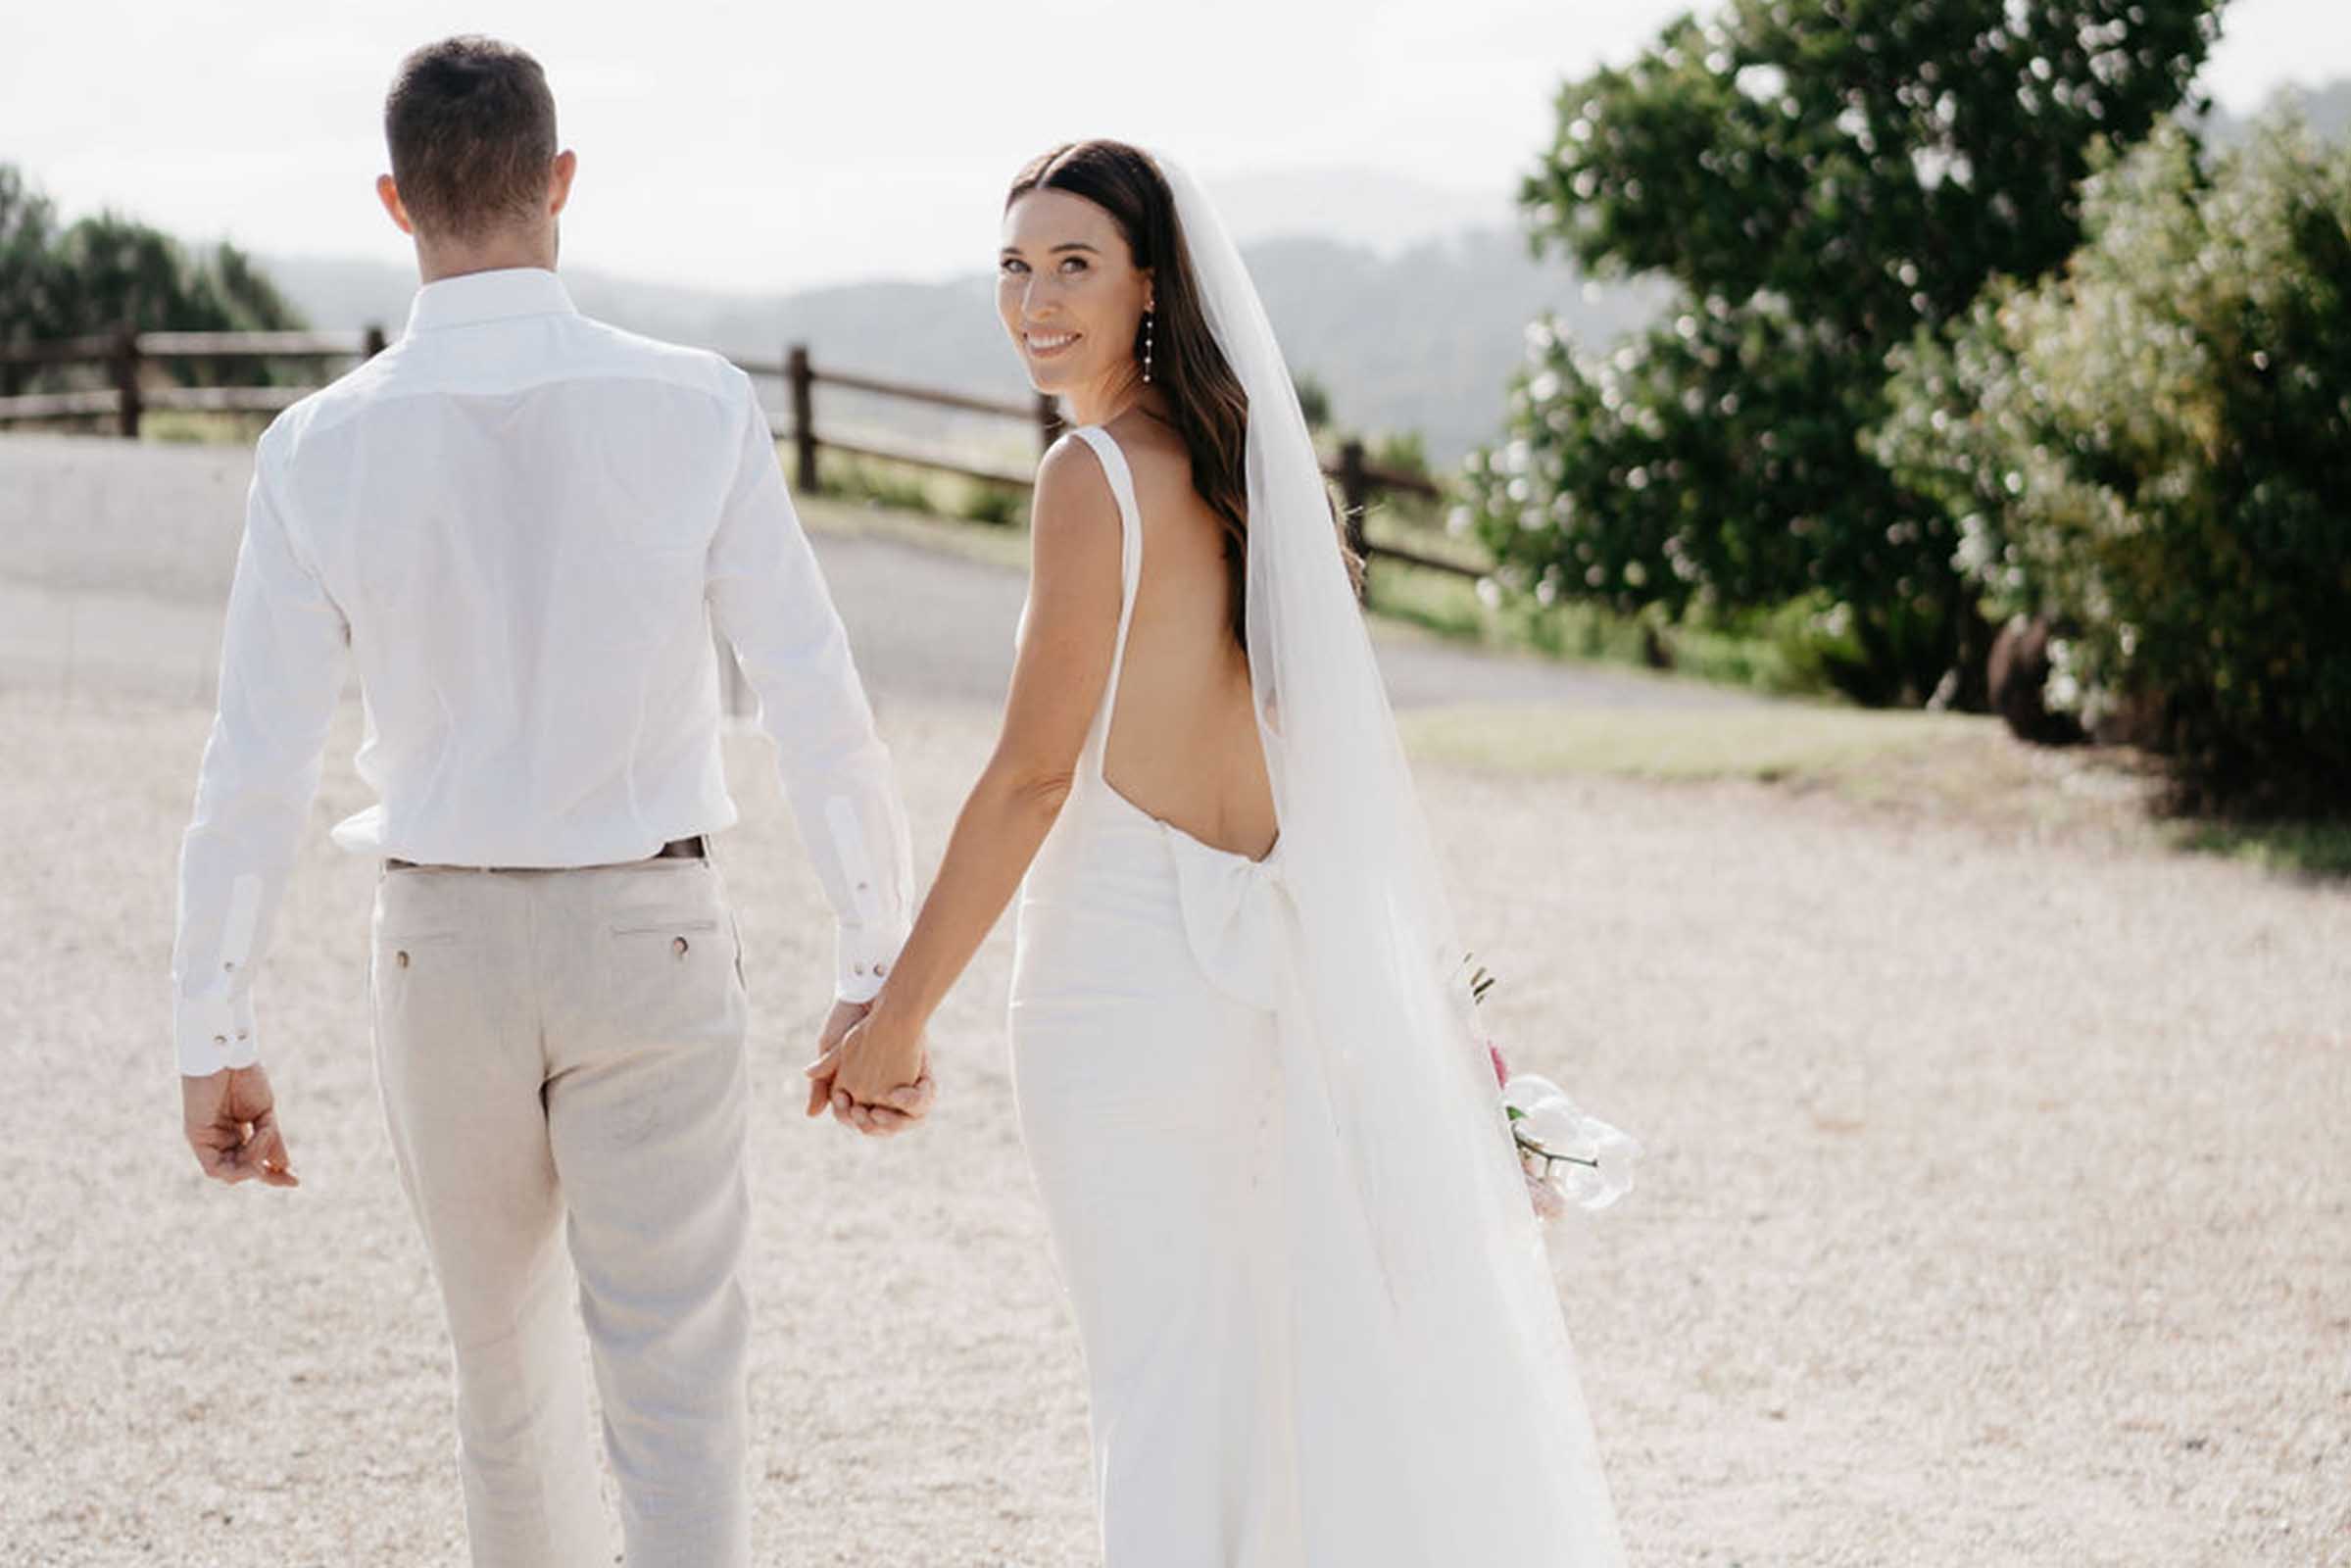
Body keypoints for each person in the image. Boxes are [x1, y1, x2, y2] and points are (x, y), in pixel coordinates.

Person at [807, 140, 1628, 1563]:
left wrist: (898, 1018)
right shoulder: (1250, 480)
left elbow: (1031, 778)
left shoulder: (1092, 478)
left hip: (1119, 1002)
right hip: (1252, 990)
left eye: (1074, 266)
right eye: (1015, 266)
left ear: (1148, 289)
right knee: (1267, 1383)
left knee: (1161, 1393)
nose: (1034, 300)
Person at [169, 35, 930, 1567]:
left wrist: (215, 1031)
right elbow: (812, 697)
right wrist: (872, 970)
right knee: (679, 1387)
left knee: (501, 1390)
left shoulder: (315, 446)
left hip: (437, 949)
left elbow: (254, 768)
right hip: (650, 932)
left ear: (395, 200)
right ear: (561, 180)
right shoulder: (698, 406)